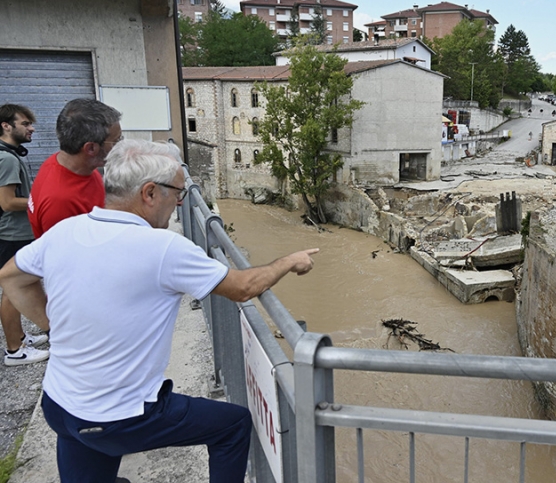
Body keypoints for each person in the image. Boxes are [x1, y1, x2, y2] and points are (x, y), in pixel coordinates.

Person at [0, 139, 318, 482]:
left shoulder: (66, 230)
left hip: (59, 405)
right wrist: (289, 261)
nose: (180, 202)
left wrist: (55, 328)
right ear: (150, 193)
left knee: (88, 444)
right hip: (117, 417)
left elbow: (11, 278)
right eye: (177, 193)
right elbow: (243, 287)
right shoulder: (163, 247)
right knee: (233, 425)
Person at [28, 98, 123, 238]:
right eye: (116, 141)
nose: (120, 146)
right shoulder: (60, 202)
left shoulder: (76, 166)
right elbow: (67, 257)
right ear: (91, 148)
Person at [0, 104, 48, 366]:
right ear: (6, 126)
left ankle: (19, 336)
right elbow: (7, 202)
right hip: (13, 234)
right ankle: (14, 350)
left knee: (24, 284)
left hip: (16, 232)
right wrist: (39, 201)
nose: (31, 128)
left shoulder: (10, 155)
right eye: (25, 123)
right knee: (13, 288)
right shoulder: (6, 159)